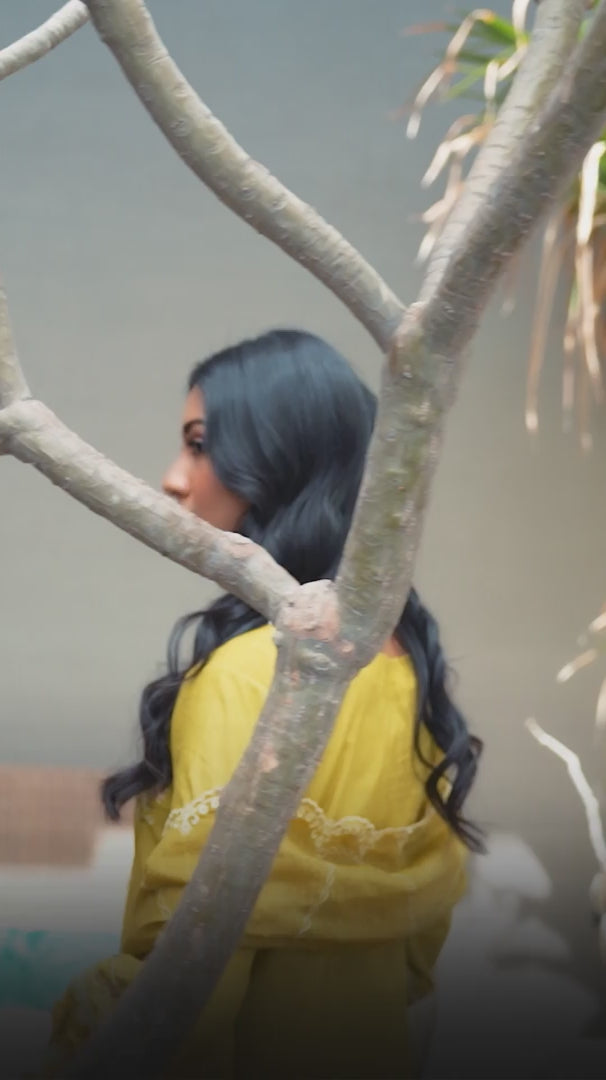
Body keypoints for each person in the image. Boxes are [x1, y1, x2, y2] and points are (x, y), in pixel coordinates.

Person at [42, 329, 483, 1078]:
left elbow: (192, 987)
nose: (173, 479)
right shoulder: (412, 676)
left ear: (280, 459)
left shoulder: (252, 675)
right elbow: (416, 964)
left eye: (199, 446)